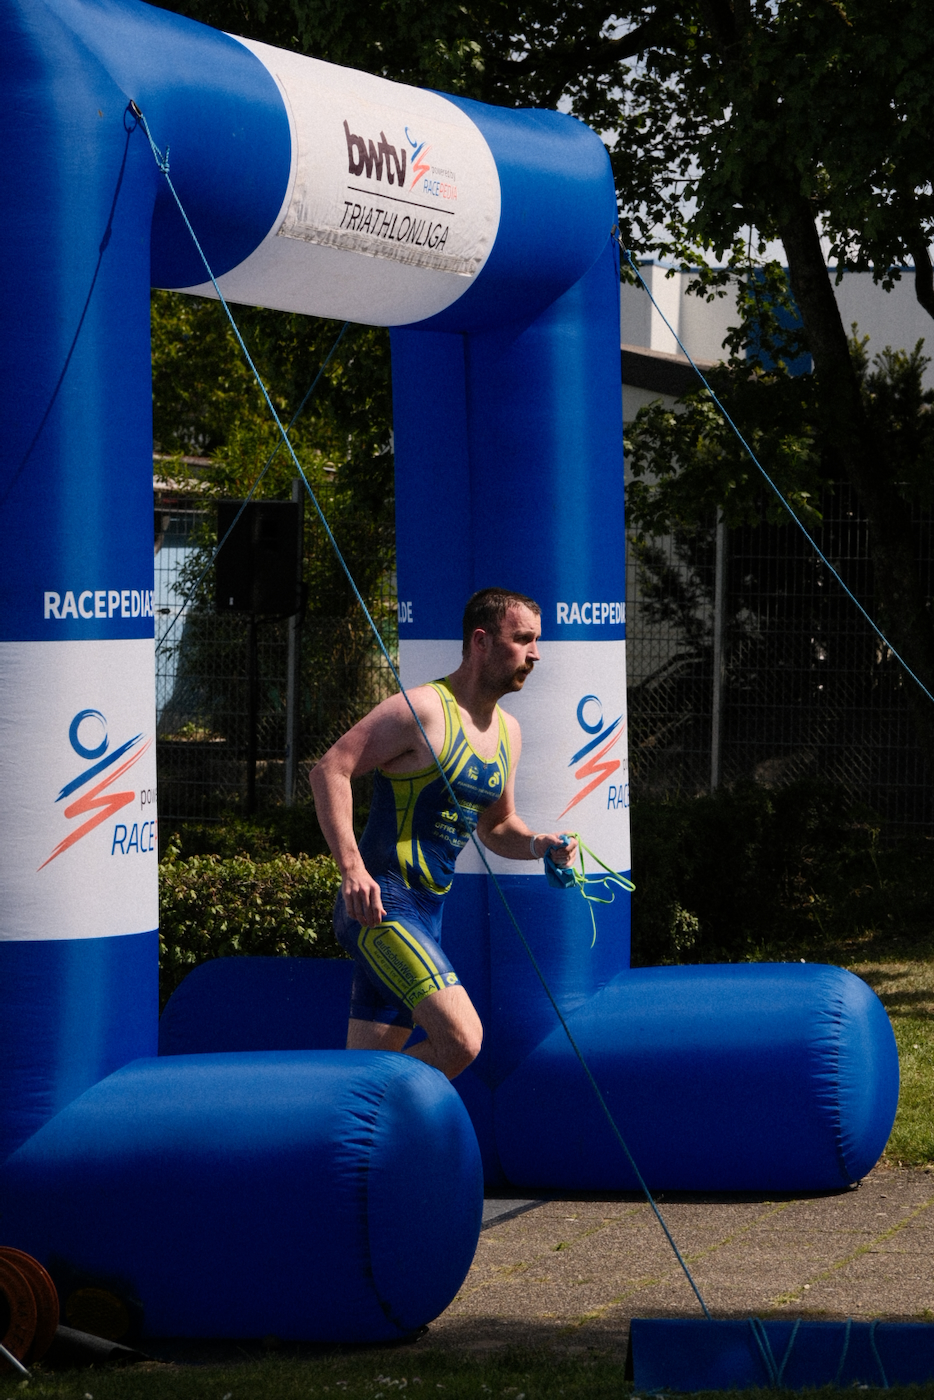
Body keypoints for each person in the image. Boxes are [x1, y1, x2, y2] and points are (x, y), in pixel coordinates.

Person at [310, 587, 578, 1079]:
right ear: (481, 641)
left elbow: (497, 826)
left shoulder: (509, 732)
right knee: (461, 1041)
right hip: (380, 908)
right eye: (523, 639)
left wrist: (539, 844)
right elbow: (330, 769)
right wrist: (351, 869)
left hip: (428, 915)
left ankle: (335, 1119)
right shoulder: (422, 709)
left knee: (363, 1077)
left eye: (536, 641)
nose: (535, 654)